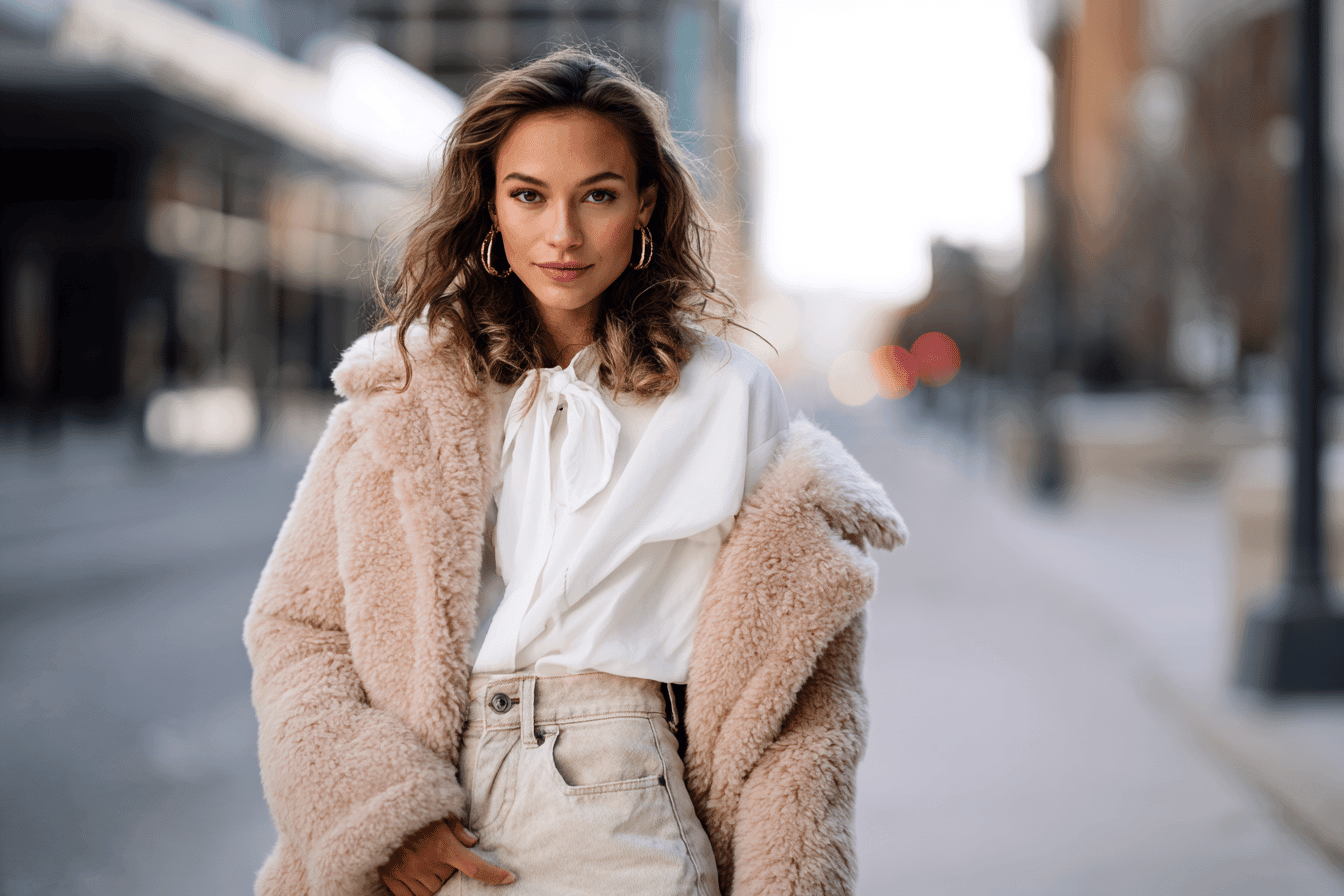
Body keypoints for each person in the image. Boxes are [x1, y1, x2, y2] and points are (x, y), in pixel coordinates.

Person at [244, 47, 905, 896]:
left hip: (627, 822)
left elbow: (802, 708)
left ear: (644, 207)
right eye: (529, 195)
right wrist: (377, 811)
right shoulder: (404, 389)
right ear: (491, 207)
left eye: (598, 194)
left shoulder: (728, 397)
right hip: (430, 821)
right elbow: (298, 628)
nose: (562, 234)